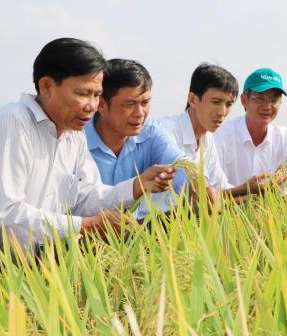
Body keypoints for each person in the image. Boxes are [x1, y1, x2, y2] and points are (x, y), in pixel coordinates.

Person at [0, 38, 177, 264]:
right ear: (46, 86)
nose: (92, 106)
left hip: (41, 242)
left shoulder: (74, 134)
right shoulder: (12, 122)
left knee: (123, 231)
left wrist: (137, 186)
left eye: (96, 95)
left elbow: (85, 198)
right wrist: (86, 226)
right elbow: (5, 215)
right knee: (16, 240)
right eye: (82, 94)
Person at [85, 59, 215, 219]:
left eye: (145, 103)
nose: (140, 113)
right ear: (102, 105)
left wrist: (202, 186)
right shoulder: (78, 138)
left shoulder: (151, 132)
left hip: (132, 229)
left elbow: (185, 164)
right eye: (130, 104)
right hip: (82, 230)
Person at [159, 63, 276, 200]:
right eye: (216, 102)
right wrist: (245, 189)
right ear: (193, 100)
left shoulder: (207, 139)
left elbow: (219, 186)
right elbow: (202, 194)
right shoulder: (167, 131)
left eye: (229, 104)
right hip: (154, 219)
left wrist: (263, 197)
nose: (223, 112)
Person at [214, 68, 287, 188]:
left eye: (274, 100)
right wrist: (248, 193)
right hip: (233, 206)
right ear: (244, 100)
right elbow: (212, 186)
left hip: (279, 206)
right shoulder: (221, 136)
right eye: (260, 98)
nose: (267, 106)